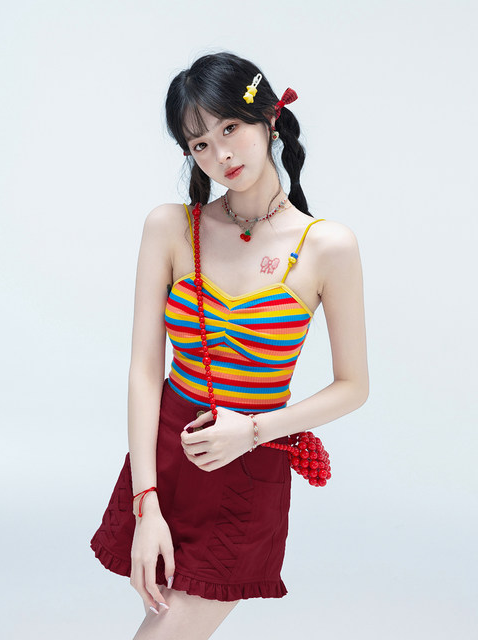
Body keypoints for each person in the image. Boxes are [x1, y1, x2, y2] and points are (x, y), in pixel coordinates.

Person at [90, 51, 369, 640]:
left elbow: (354, 387)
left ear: (269, 117)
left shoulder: (327, 246)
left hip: (249, 464)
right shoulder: (170, 227)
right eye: (200, 144)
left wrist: (254, 431)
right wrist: (146, 502)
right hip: (163, 461)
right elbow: (145, 371)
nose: (220, 154)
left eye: (230, 128)